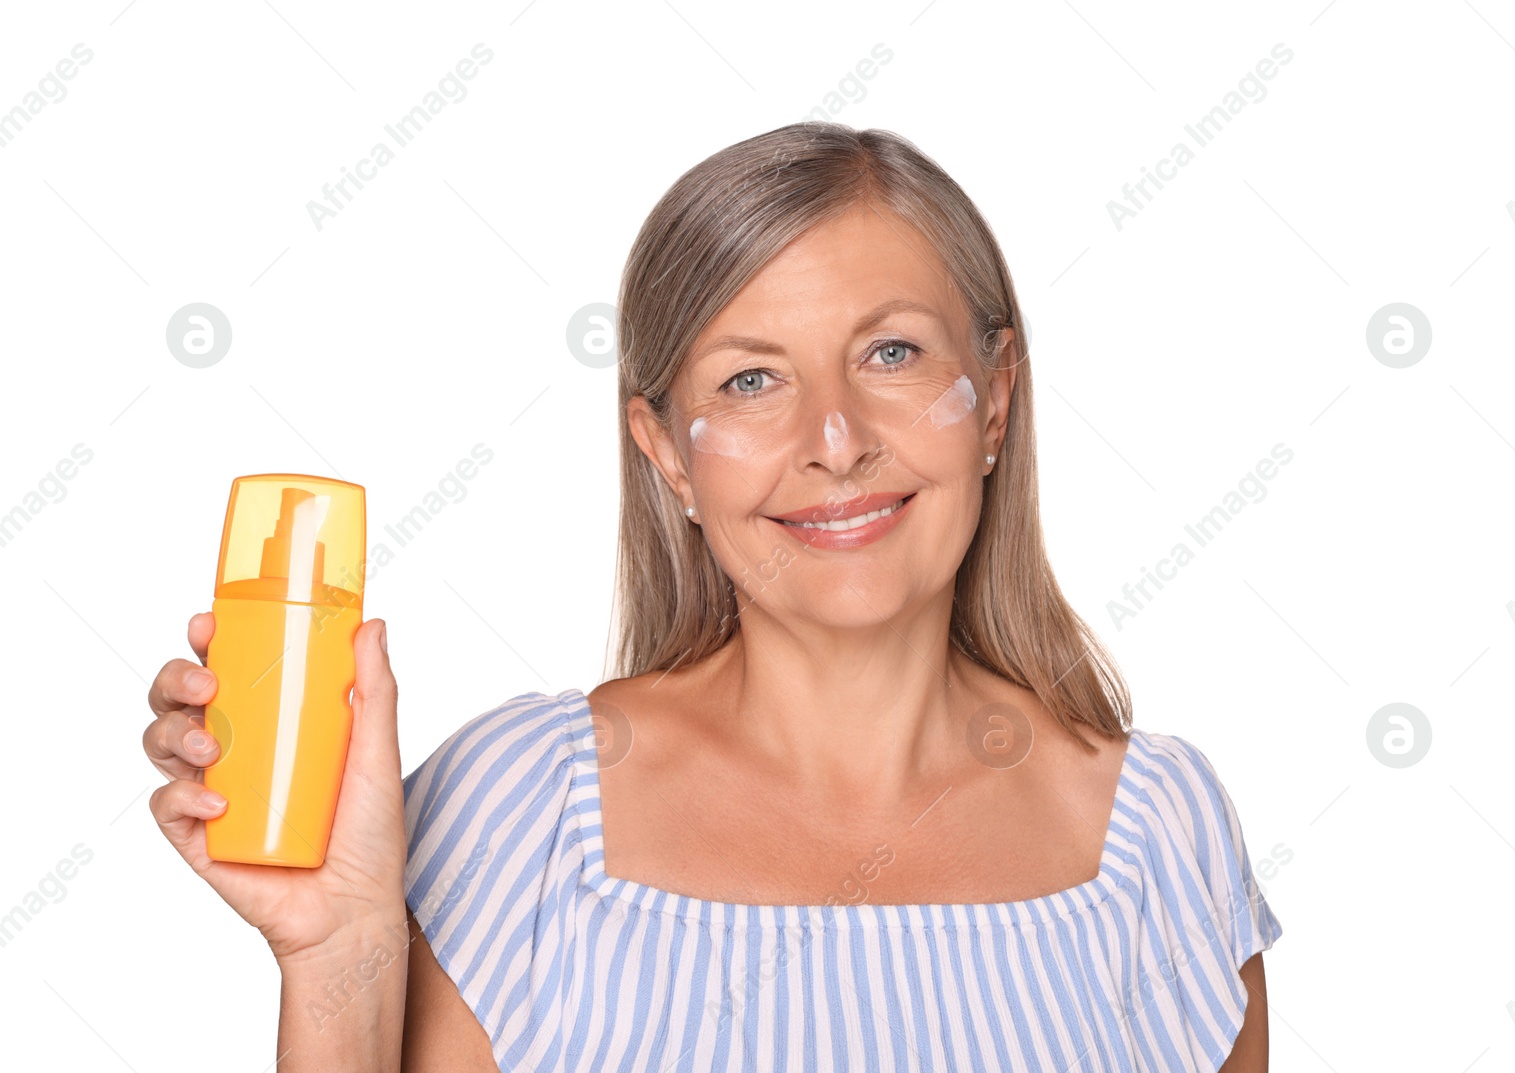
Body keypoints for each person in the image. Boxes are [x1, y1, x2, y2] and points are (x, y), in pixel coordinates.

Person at [143, 121, 1282, 1071]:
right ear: (668, 454)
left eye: (891, 354)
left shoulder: (1161, 840)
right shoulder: (512, 815)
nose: (833, 440)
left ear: (991, 403)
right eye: (750, 379)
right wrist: (338, 952)